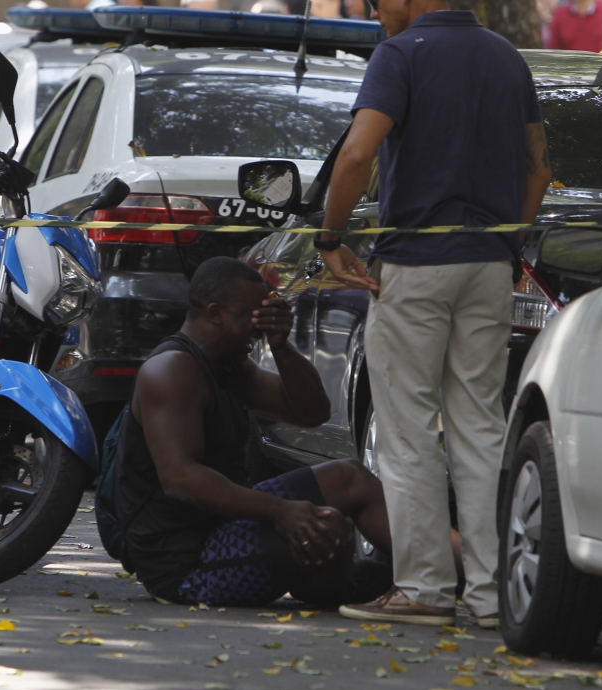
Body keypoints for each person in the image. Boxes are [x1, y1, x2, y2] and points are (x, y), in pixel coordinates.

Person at [315, 0, 552, 626]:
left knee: (407, 430)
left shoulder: (399, 56)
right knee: (480, 426)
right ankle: (493, 593)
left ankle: (423, 588)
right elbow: (539, 169)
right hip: (489, 265)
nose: (374, 10)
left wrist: (330, 238)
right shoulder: (507, 59)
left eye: (379, 0)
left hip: (415, 264)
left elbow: (357, 154)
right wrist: (509, 248)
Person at [114, 257, 395, 608]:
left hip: (225, 525)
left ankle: (437, 571)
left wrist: (281, 344)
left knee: (350, 477)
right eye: (253, 316)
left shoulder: (231, 366)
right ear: (215, 313)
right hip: (184, 564)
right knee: (328, 528)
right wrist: (280, 510)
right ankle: (335, 588)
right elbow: (180, 478)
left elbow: (313, 412)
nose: (259, 328)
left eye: (267, 317)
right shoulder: (171, 370)